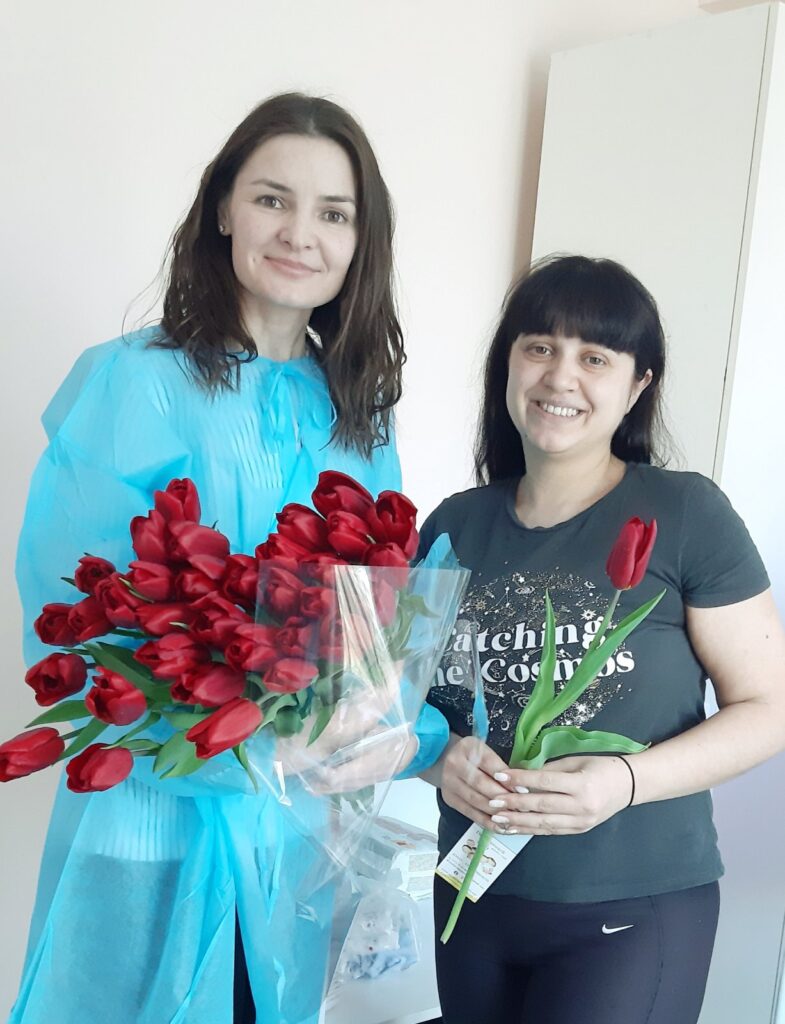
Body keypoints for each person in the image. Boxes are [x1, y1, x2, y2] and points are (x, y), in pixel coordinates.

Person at [9, 92, 446, 1024]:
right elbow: (75, 613)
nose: (300, 234)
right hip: (153, 825)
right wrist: (252, 744)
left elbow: (374, 614)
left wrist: (375, 719)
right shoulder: (135, 380)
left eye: (334, 214)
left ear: (361, 242)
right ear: (222, 209)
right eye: (271, 199)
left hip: (295, 840)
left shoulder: (356, 414)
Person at [417, 255, 785, 1024]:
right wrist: (437, 762)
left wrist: (622, 782)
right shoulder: (453, 525)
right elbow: (400, 708)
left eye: (594, 357)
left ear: (637, 384)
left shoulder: (684, 514)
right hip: (471, 894)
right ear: (508, 363)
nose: (559, 376)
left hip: (631, 909)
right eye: (539, 347)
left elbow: (767, 708)